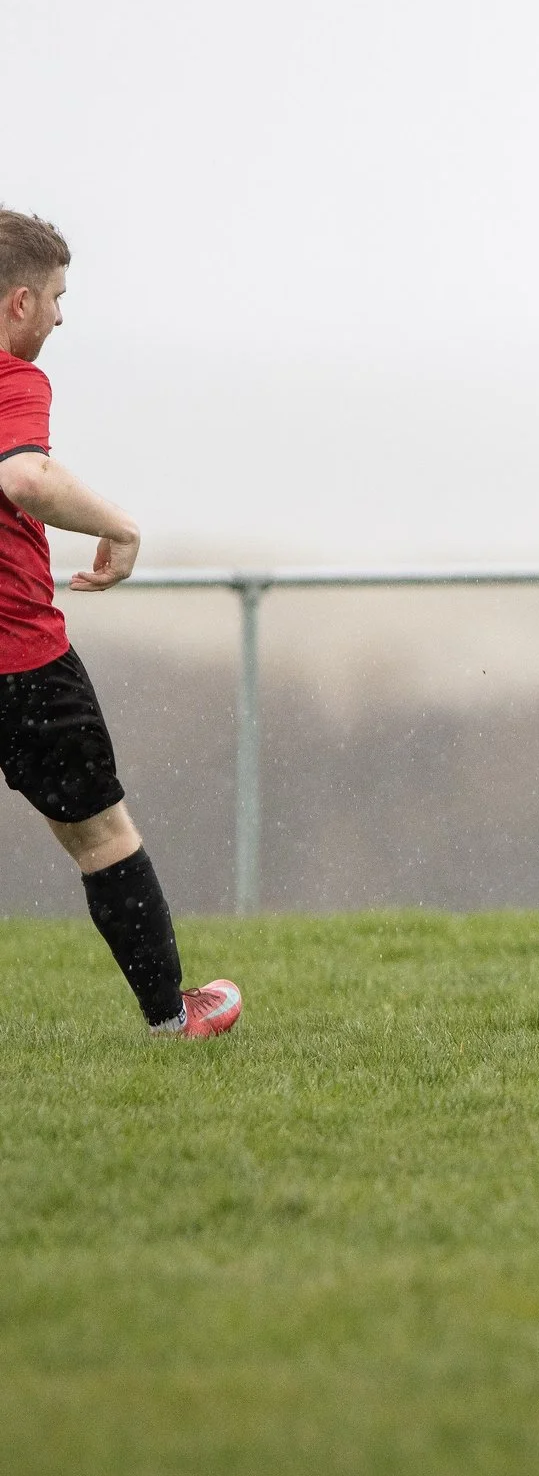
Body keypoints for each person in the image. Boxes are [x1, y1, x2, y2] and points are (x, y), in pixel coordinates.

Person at [0, 208, 238, 1039]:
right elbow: (26, 478)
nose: (63, 318)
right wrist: (121, 526)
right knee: (102, 836)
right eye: (58, 299)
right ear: (20, 302)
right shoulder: (15, 379)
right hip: (21, 661)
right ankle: (174, 1019)